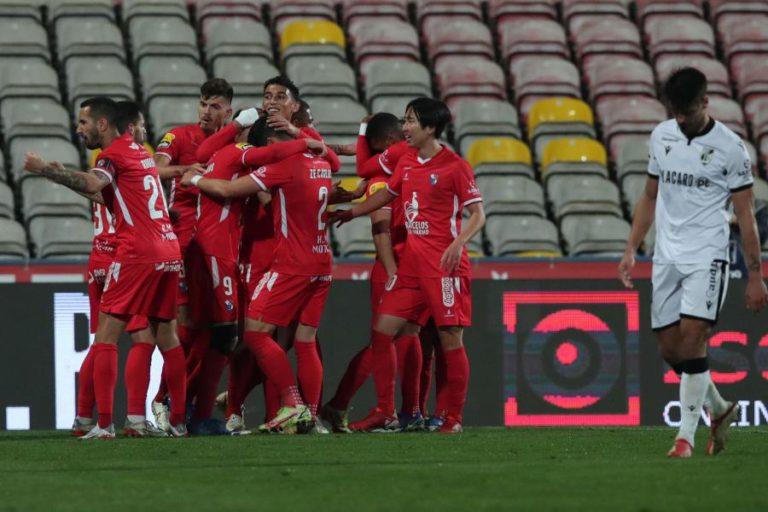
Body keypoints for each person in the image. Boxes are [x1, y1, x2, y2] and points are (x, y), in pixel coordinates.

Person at [618, 67, 768, 457]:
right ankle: (718, 409)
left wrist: (756, 276)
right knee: (671, 350)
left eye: (687, 111)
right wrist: (632, 246)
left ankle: (685, 437)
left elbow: (746, 215)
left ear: (705, 101)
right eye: (675, 112)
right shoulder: (661, 135)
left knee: (694, 337)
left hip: (708, 255)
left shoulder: (732, 148)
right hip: (667, 254)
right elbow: (650, 195)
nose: (680, 119)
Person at [25, 96, 187, 439]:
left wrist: (45, 170)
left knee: (105, 338)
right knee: (164, 335)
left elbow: (95, 184)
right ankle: (162, 422)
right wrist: (63, 177)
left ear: (102, 124)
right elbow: (111, 195)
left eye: (84, 123)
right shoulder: (139, 151)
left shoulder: (110, 155)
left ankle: (102, 424)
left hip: (136, 253)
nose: (78, 129)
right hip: (168, 250)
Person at [180, 121, 352, 433]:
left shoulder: (281, 166)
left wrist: (195, 178)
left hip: (292, 264)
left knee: (255, 333)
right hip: (323, 261)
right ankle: (309, 418)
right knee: (305, 340)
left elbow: (228, 190)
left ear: (272, 142)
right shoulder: (321, 164)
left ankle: (293, 403)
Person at [330, 98, 485, 433]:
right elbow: (387, 194)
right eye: (405, 121)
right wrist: (351, 212)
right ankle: (385, 410)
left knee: (449, 338)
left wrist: (458, 244)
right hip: (412, 267)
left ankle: (454, 419)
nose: (405, 128)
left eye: (412, 121)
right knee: (382, 330)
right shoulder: (408, 162)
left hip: (443, 266)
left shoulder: (455, 166)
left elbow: (478, 215)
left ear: (430, 127)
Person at [322, 112, 427, 433]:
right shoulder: (402, 173)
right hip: (411, 266)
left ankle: (351, 406)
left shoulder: (393, 174)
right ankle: (408, 411)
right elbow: (381, 227)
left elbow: (381, 230)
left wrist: (393, 271)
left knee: (387, 340)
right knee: (405, 338)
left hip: (398, 266)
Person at [150, 79, 233, 428]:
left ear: (228, 112)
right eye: (203, 103)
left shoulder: (235, 142)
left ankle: (194, 408)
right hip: (182, 244)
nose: (205, 111)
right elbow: (153, 169)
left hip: (222, 245)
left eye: (214, 106)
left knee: (217, 332)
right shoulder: (179, 136)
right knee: (185, 327)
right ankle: (161, 400)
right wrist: (185, 171)